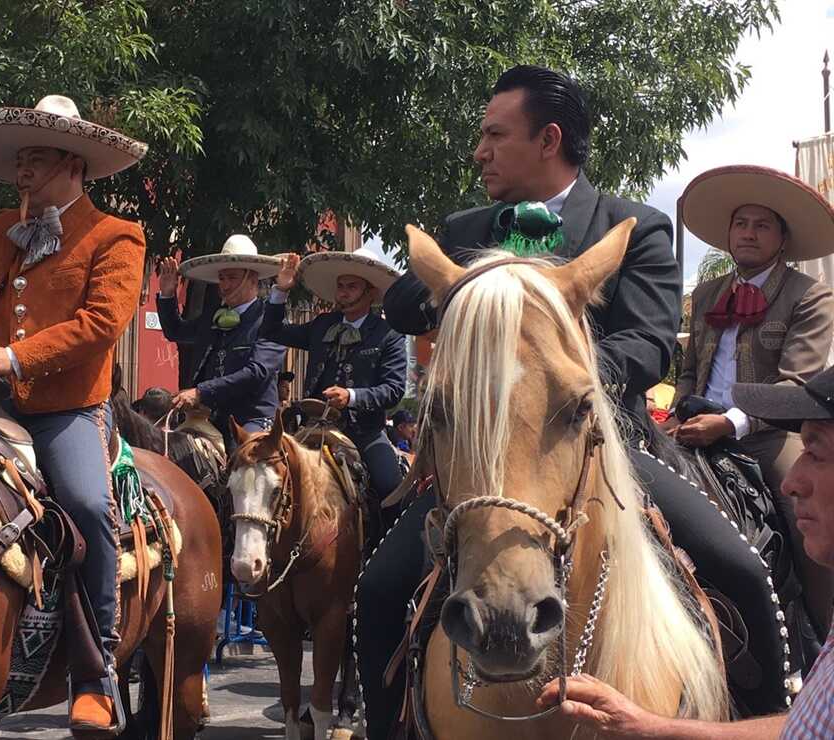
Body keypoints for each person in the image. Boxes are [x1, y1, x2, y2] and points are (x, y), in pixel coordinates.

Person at [358, 64, 792, 735]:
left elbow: (649, 345)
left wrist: (557, 383)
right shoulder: (467, 227)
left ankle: (769, 721)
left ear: (549, 139)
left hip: (598, 443)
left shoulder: (637, 226)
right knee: (379, 589)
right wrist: (478, 277)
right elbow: (402, 303)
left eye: (494, 135)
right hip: (482, 462)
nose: (480, 150)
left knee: (741, 572)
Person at [0, 94, 147, 736]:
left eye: (35, 159)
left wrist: (14, 358)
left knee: (89, 505)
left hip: (64, 408)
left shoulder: (116, 235)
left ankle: (95, 676)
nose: (21, 172)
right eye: (19, 161)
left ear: (73, 163)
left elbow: (100, 326)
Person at [540, 366, 834, 739]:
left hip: (756, 433)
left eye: (817, 453)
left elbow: (651, 341)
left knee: (744, 562)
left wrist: (730, 421)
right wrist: (648, 727)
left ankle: (782, 674)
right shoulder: (711, 302)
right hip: (676, 429)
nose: (795, 482)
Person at [667, 165, 834, 632]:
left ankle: (822, 634)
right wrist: (681, 408)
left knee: (804, 513)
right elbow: (688, 370)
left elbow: (797, 383)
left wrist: (731, 424)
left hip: (769, 437)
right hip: (695, 429)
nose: (748, 233)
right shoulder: (705, 295)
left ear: (783, 238)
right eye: (741, 224)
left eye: (762, 225)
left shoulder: (810, 297)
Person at [264, 247, 407, 506]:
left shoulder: (389, 333)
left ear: (371, 291)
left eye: (352, 286)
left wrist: (351, 396)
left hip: (364, 433)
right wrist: (281, 290)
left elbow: (394, 389)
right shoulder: (322, 324)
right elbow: (272, 331)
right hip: (312, 428)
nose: (343, 292)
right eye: (341, 285)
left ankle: (390, 546)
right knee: (266, 477)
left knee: (392, 491)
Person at [156, 236, 286, 444]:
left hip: (251, 419)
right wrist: (167, 294)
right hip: (206, 417)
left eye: (232, 278)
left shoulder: (269, 320)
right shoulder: (212, 317)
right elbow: (175, 331)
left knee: (246, 467)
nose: (224, 285)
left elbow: (257, 372)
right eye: (222, 278)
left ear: (252, 278)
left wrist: (201, 391)